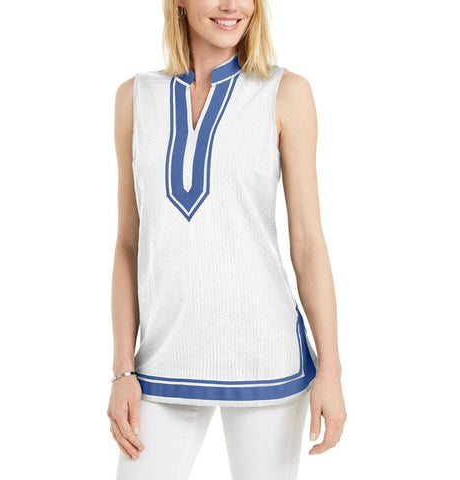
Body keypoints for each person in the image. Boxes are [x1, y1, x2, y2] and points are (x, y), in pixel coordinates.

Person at [107, 0, 347, 478]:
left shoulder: (285, 93)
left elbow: (307, 244)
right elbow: (129, 246)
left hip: (267, 362)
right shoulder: (135, 98)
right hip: (162, 363)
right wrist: (122, 370)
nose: (231, 6)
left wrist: (332, 370)